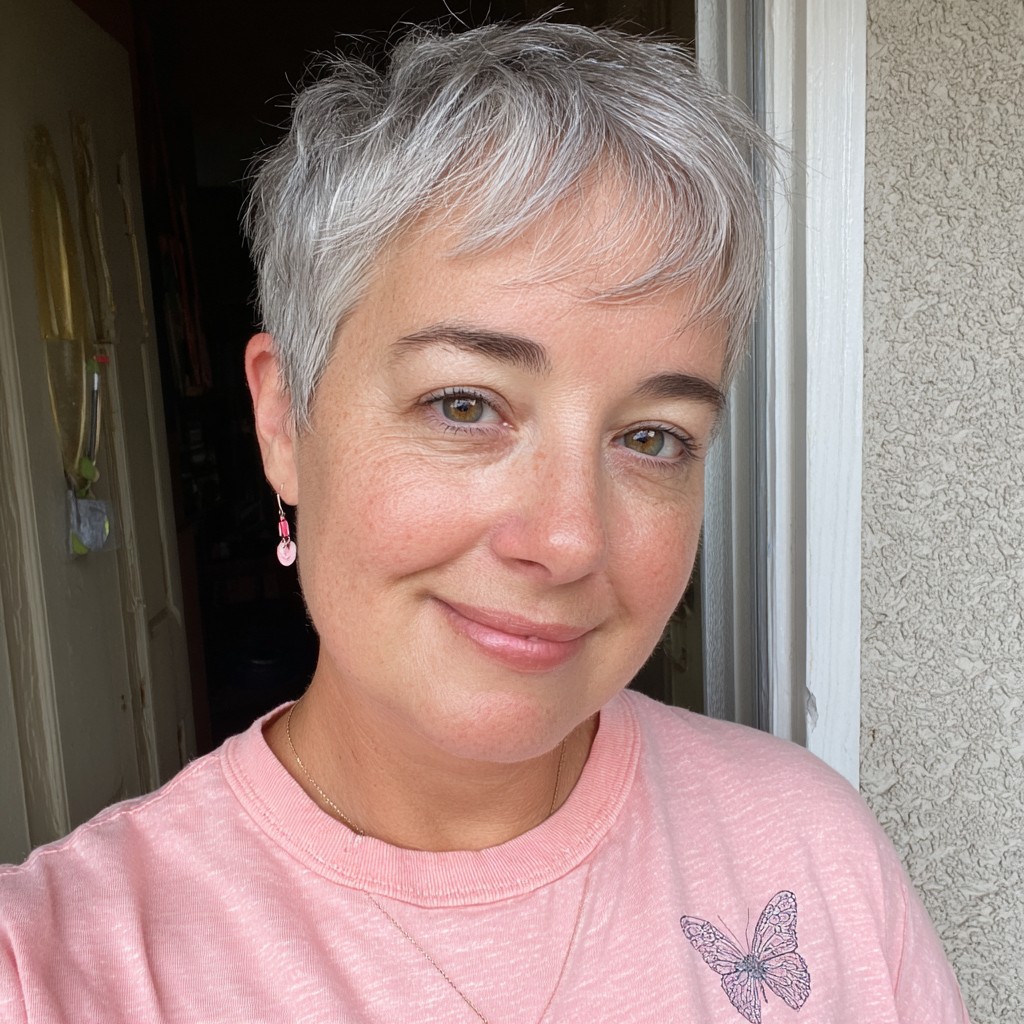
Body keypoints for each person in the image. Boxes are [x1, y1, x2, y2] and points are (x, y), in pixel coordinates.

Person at [0, 19, 970, 1024]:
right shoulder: (55, 968)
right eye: (464, 405)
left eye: (652, 438)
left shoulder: (817, 857)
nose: (568, 540)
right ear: (284, 417)